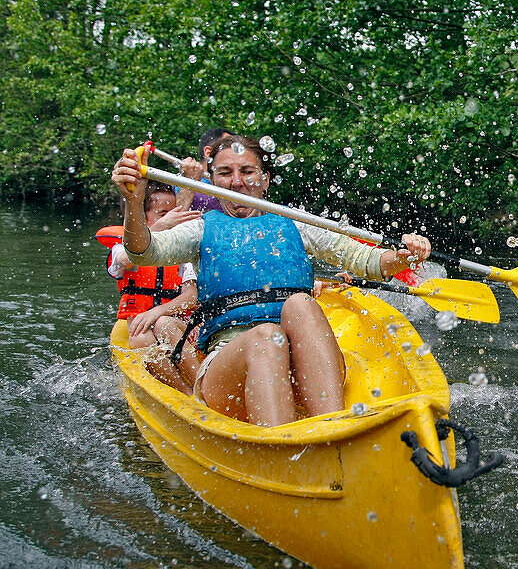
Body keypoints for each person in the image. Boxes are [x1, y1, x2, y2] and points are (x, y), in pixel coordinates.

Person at [111, 134, 432, 427]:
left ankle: (333, 430)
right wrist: (134, 203)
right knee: (267, 337)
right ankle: (282, 448)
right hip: (229, 373)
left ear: (265, 179)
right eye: (224, 173)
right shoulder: (200, 228)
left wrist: (406, 256)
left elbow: (371, 261)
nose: (236, 182)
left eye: (248, 172)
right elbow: (142, 251)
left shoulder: (297, 223)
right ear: (211, 180)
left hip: (303, 371)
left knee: (301, 304)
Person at [106, 181, 202, 392]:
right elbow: (128, 258)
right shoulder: (121, 249)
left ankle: (202, 388)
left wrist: (157, 313)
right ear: (143, 217)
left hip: (179, 328)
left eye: (173, 213)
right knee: (141, 338)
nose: (171, 219)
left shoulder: (183, 252)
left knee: (164, 324)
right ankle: (185, 392)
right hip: (142, 330)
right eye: (163, 213)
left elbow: (191, 297)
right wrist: (159, 228)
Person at [173, 127, 234, 213]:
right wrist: (189, 183)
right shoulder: (180, 183)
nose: (235, 154)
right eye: (229, 146)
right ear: (208, 152)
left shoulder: (238, 182)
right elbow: (172, 220)